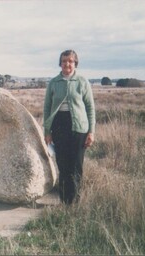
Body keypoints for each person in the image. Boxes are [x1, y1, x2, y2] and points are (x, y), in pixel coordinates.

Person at [43, 49, 96, 204]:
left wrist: (91, 132)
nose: (67, 64)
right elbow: (47, 108)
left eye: (71, 61)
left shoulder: (82, 82)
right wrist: (47, 131)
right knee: (63, 165)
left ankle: (75, 202)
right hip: (59, 126)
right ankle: (65, 201)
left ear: (75, 63)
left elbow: (90, 108)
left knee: (76, 166)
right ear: (60, 63)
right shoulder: (53, 83)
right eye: (64, 61)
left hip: (79, 128)